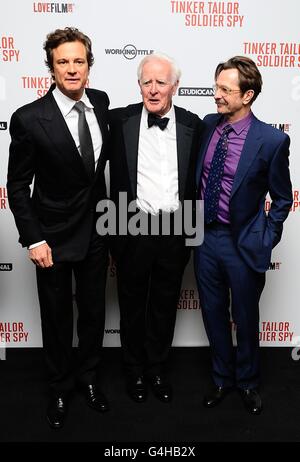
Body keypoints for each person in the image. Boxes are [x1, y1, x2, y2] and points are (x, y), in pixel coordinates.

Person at [7, 27, 110, 429]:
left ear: (89, 65)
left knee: (94, 314)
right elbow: (18, 186)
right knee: (55, 318)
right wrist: (33, 238)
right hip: (50, 236)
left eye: (78, 61)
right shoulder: (29, 119)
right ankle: (60, 388)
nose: (71, 68)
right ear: (50, 68)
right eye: (62, 61)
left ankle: (88, 380)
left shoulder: (100, 103)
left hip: (97, 233)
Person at [194, 56, 293, 414]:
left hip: (243, 243)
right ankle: (222, 378)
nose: (215, 95)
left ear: (247, 95)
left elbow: (283, 197)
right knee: (212, 312)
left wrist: (265, 236)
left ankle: (248, 381)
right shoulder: (207, 126)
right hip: (204, 239)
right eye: (216, 86)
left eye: (225, 89)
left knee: (246, 316)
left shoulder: (271, 140)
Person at [108, 52, 203, 403]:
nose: (153, 89)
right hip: (131, 229)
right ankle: (133, 372)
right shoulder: (118, 121)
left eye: (161, 82)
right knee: (132, 306)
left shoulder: (195, 124)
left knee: (165, 304)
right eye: (146, 81)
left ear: (175, 86)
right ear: (138, 85)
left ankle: (157, 369)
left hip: (177, 231)